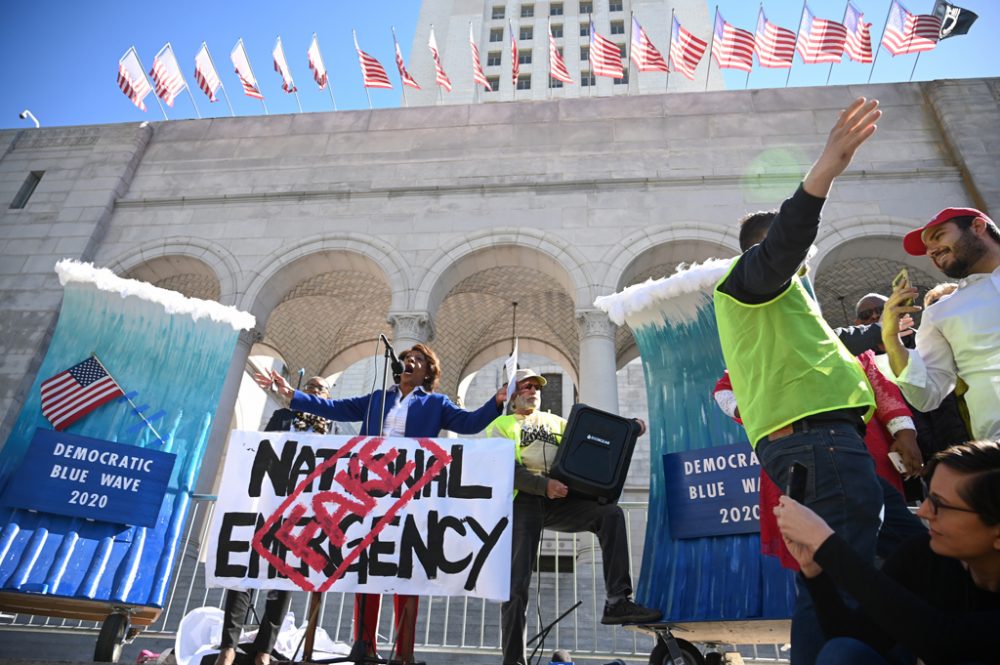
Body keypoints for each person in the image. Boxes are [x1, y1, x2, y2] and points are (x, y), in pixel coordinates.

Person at [712, 97, 885, 665]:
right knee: (838, 579)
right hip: (818, 442)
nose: (804, 261)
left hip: (826, 442)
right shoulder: (751, 279)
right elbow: (784, 241)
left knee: (866, 564)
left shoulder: (784, 302)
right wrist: (826, 169)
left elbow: (835, 343)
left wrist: (891, 328)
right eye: (797, 254)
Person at [255, 344, 506, 665]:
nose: (409, 363)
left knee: (404, 569)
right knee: (367, 567)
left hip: (410, 496)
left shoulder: (435, 404)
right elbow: (337, 409)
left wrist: (496, 401)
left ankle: (404, 652)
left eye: (417, 360)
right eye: (405, 360)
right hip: (368, 494)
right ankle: (365, 644)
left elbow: (470, 423)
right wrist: (292, 395)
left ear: (428, 372)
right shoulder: (376, 400)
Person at [485, 368, 661, 665]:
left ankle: (618, 601)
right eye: (526, 387)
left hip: (561, 497)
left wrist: (629, 430)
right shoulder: (500, 426)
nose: (533, 391)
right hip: (524, 501)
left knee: (610, 515)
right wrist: (543, 486)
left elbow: (594, 437)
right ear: (513, 396)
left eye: (536, 387)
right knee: (516, 586)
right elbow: (507, 470)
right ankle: (513, 660)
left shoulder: (558, 423)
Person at [774, 440, 1000, 665]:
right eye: (928, 496)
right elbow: (857, 638)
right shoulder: (922, 554)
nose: (923, 511)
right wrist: (815, 571)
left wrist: (824, 542)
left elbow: (944, 641)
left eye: (940, 504)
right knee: (841, 652)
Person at [217, 376, 333, 665]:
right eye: (310, 387)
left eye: (320, 388)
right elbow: (260, 452)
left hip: (302, 515)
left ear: (328, 397)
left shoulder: (335, 428)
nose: (314, 391)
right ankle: (228, 647)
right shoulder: (283, 417)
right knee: (245, 573)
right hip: (268, 506)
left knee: (283, 578)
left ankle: (264, 651)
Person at [882, 207, 1000, 440]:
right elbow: (927, 396)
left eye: (938, 236)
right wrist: (891, 339)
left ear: (977, 227)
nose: (931, 252)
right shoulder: (940, 312)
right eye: (927, 249)